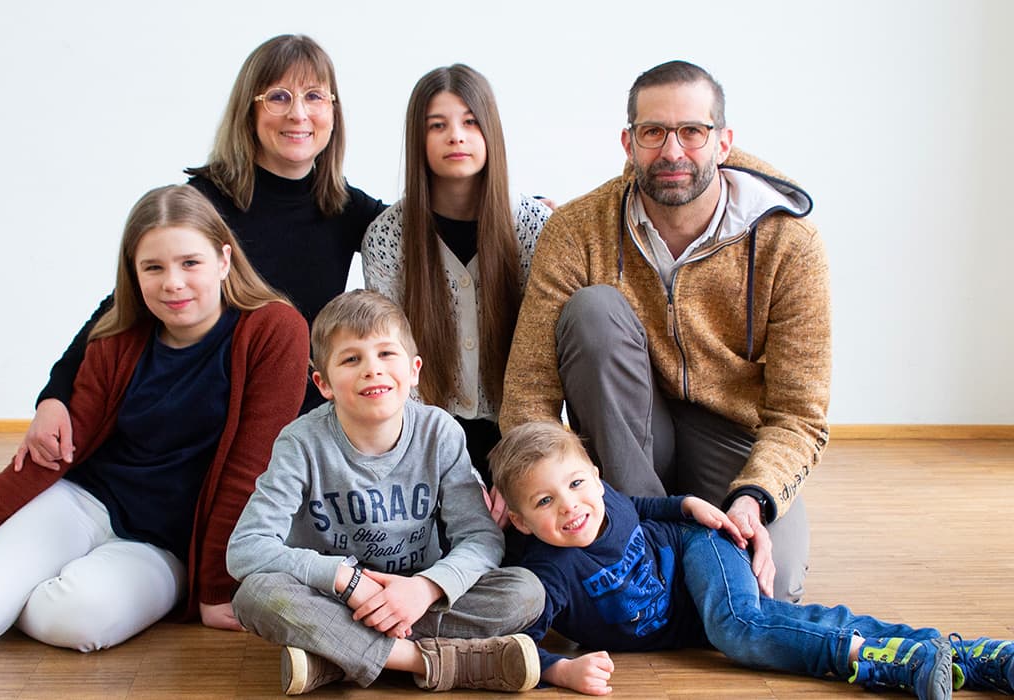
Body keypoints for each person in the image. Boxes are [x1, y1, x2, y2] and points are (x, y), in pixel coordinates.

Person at [0, 185, 309, 650]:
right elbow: (50, 455)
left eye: (190, 262)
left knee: (74, 624)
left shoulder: (274, 330)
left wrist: (215, 587)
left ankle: (1, 593)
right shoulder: (119, 338)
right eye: (153, 267)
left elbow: (249, 469)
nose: (172, 282)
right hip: (83, 502)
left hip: (163, 545)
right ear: (133, 274)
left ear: (224, 261)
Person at [500, 60, 830, 603]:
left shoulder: (789, 243)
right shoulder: (576, 231)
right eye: (653, 132)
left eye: (692, 132)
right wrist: (538, 493)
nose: (672, 152)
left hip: (731, 435)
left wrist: (754, 499)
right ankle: (646, 548)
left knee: (774, 589)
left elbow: (800, 415)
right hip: (624, 424)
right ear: (628, 142)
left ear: (723, 142)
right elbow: (529, 389)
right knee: (594, 311)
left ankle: (671, 568)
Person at [17, 34, 385, 472]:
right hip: (206, 420)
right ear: (249, 111)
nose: (298, 113)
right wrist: (54, 394)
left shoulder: (347, 208)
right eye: (278, 97)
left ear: (333, 111)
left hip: (296, 417)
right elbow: (126, 303)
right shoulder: (206, 201)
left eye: (314, 96)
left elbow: (424, 239)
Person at [489, 421, 1014, 698]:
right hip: (690, 617)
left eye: (578, 483)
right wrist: (563, 673)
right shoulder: (550, 574)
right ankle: (967, 656)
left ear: (597, 476)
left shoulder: (606, 501)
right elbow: (523, 645)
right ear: (517, 518)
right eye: (544, 501)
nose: (570, 506)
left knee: (740, 627)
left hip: (699, 549)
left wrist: (687, 504)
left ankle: (880, 664)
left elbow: (642, 507)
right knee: (778, 622)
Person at [226, 289, 545, 695]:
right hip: (334, 598)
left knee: (525, 592)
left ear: (413, 370)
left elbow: (480, 538)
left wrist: (425, 588)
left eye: (385, 354)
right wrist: (345, 579)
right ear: (323, 383)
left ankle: (333, 658)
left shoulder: (440, 432)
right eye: (351, 358)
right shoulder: (301, 443)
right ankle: (434, 663)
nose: (372, 369)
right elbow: (246, 549)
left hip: (416, 598)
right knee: (255, 595)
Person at [362, 63, 551, 486]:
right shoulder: (388, 238)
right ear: (418, 138)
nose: (456, 136)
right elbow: (390, 354)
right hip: (424, 439)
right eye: (437, 125)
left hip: (520, 434)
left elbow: (545, 353)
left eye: (470, 122)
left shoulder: (534, 227)